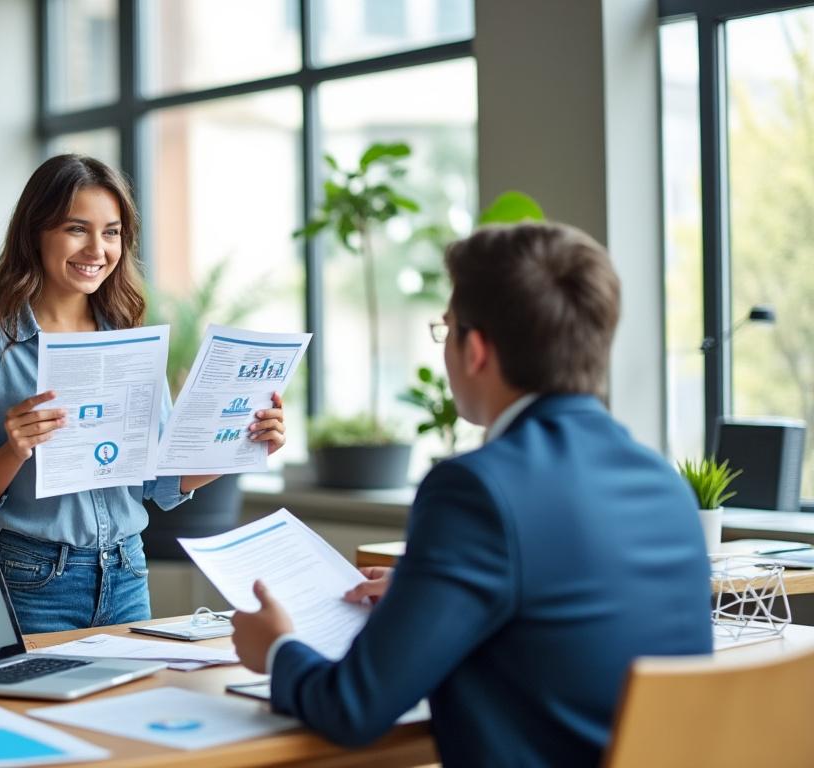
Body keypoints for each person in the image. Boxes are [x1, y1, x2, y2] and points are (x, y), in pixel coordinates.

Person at [230, 222, 712, 767]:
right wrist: (423, 592)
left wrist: (275, 648)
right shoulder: (663, 483)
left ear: (476, 349)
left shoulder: (475, 489)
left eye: (446, 330)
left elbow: (354, 707)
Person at [0, 154, 287, 634]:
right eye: (77, 229)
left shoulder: (132, 342)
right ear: (35, 233)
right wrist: (13, 451)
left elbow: (159, 482)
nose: (96, 249)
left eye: (112, 232)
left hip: (128, 575)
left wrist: (243, 442)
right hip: (32, 579)